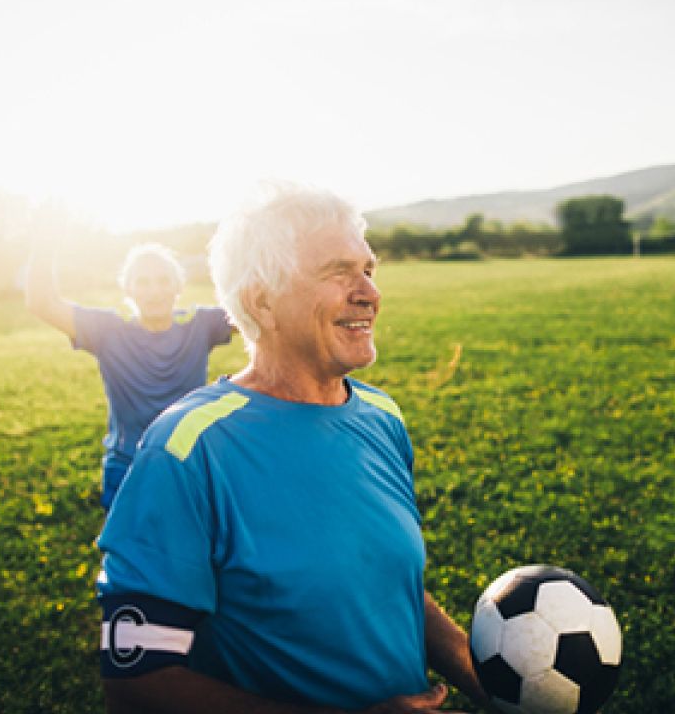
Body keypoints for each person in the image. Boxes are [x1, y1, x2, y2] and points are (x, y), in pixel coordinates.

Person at [95, 183, 491, 713]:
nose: (369, 294)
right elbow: (137, 682)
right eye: (337, 272)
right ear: (263, 301)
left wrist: (489, 678)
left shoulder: (382, 416)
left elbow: (387, 591)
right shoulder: (187, 449)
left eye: (367, 270)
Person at [25, 230, 234, 510]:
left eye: (163, 281)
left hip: (189, 462)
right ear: (129, 289)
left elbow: (258, 309)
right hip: (128, 466)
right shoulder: (107, 330)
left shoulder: (200, 324)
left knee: (195, 550)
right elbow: (42, 304)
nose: (154, 291)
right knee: (131, 552)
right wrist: (45, 241)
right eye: (143, 282)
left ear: (178, 287)